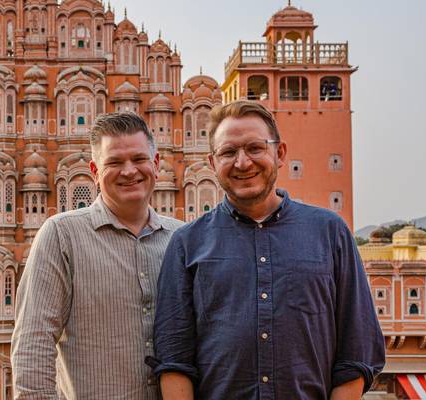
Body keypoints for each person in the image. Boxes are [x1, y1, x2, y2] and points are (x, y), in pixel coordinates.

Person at [151, 100, 385, 399]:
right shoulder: (187, 243)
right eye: (228, 152)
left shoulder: (329, 232)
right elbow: (174, 359)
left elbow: (357, 349)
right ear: (212, 163)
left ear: (280, 153)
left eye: (255, 148)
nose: (243, 162)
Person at [12, 112, 185, 399]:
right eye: (114, 162)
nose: (129, 171)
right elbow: (34, 342)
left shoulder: (182, 239)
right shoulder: (62, 235)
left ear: (156, 166)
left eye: (139, 159)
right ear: (94, 171)